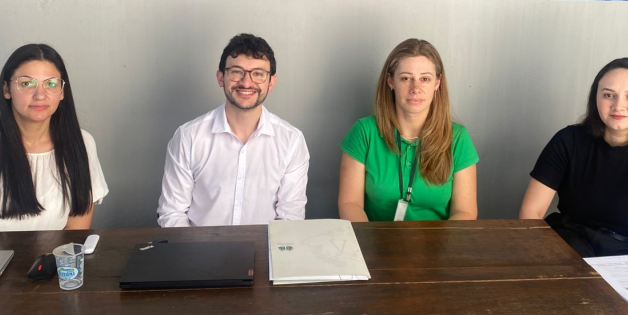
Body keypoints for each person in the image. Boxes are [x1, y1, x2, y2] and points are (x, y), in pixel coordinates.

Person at [519, 58, 628, 260]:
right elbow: (531, 212)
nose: (618, 106)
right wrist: (541, 255)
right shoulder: (569, 140)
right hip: (568, 247)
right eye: (608, 95)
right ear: (595, 99)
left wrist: (621, 276)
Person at [0, 44, 108, 232]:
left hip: (47, 261)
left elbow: (74, 235)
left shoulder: (81, 144)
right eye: (26, 83)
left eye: (51, 84)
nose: (40, 95)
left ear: (62, 92)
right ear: (6, 89)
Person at [157, 33, 309, 227]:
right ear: (221, 77)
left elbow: (291, 218)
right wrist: (195, 255)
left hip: (266, 251)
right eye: (236, 72)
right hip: (200, 252)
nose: (246, 83)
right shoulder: (189, 137)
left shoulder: (291, 140)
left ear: (271, 82)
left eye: (258, 74)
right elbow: (172, 213)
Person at [338, 39, 479, 222]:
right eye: (406, 78)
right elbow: (350, 204)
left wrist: (441, 250)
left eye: (425, 79)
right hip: (374, 245)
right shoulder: (364, 132)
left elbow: (465, 212)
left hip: (439, 247)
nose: (416, 89)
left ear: (437, 83)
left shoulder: (458, 137)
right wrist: (370, 247)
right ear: (390, 81)